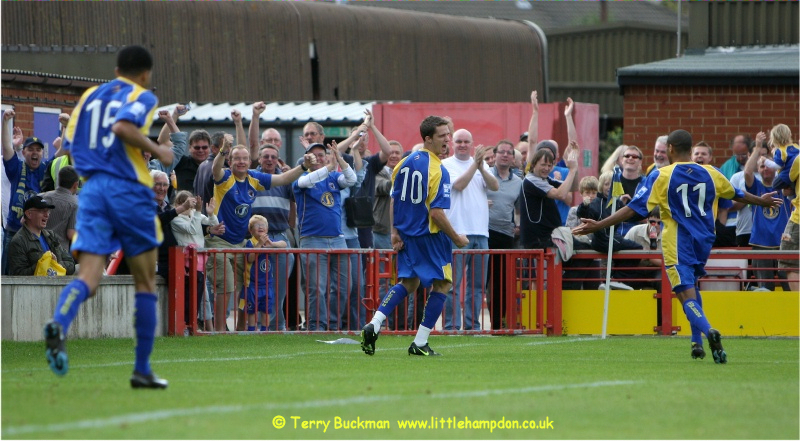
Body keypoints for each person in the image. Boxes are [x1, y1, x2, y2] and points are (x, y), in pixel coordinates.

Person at [573, 129, 783, 364]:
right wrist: (761, 200)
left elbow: (633, 208)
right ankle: (696, 343)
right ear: (690, 148)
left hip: (677, 242)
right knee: (692, 287)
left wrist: (599, 224)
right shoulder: (711, 172)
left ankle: (708, 330)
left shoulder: (661, 176)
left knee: (684, 295)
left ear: (671, 149)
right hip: (704, 241)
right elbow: (737, 194)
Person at [43, 45, 175, 387]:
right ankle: (142, 370)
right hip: (128, 189)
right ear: (145, 73)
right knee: (145, 281)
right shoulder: (143, 95)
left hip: (92, 191)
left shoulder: (89, 96)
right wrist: (160, 149)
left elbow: (67, 144)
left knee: (88, 277)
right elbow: (121, 127)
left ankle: (59, 322)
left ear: (117, 69)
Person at [361, 115, 469, 356]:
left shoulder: (404, 163)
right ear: (428, 139)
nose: (447, 140)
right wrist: (457, 238)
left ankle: (374, 323)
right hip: (430, 236)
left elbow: (394, 199)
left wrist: (394, 231)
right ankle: (420, 343)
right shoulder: (439, 170)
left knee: (409, 282)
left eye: (448, 135)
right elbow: (437, 213)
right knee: (443, 284)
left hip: (407, 235)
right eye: (442, 136)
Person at [208, 139, 313, 332]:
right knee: (226, 288)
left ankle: (240, 330)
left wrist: (304, 166)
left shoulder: (254, 177)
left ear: (250, 161)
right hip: (220, 240)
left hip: (241, 242)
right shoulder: (225, 177)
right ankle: (220, 330)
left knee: (244, 289)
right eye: (236, 158)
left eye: (245, 158)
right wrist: (223, 150)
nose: (241, 162)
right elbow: (215, 169)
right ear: (230, 162)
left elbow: (283, 179)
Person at [293, 142, 356, 331]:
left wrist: (340, 160)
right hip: (312, 238)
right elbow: (306, 182)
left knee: (344, 287)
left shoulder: (334, 177)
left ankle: (332, 324)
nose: (318, 158)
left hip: (338, 238)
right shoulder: (302, 177)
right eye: (314, 155)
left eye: (322, 154)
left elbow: (351, 180)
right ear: (306, 158)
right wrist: (330, 165)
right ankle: (316, 325)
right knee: (316, 288)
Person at [441, 128, 499, 331]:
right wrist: (476, 164)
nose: (463, 145)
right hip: (457, 232)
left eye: (466, 141)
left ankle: (472, 326)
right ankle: (451, 325)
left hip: (481, 232)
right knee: (452, 285)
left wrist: (481, 166)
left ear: (472, 144)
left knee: (476, 287)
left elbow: (494, 186)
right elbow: (459, 185)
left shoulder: (481, 165)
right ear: (452, 144)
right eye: (459, 141)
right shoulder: (445, 165)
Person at [250, 143, 297, 331]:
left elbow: (295, 200)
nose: (269, 160)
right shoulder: (252, 177)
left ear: (278, 159)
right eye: (266, 156)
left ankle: (277, 325)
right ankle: (251, 326)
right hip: (254, 237)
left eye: (273, 157)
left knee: (277, 288)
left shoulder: (285, 179)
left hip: (278, 234)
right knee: (252, 286)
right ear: (259, 159)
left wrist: (291, 225)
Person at [3, 110, 51, 275]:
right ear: (23, 153)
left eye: (38, 150)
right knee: (8, 276)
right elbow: (7, 149)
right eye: (31, 149)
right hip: (14, 230)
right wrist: (5, 122)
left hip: (35, 234)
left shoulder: (45, 170)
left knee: (36, 273)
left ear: (42, 154)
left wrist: (65, 129)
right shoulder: (17, 169)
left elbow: (61, 155)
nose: (35, 152)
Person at [745, 132, 791, 291]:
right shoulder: (756, 187)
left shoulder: (785, 187)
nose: (765, 169)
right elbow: (747, 173)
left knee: (790, 287)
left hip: (784, 244)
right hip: (761, 243)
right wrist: (757, 148)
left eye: (768, 165)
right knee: (765, 289)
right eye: (761, 166)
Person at [170, 190, 219, 331]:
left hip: (199, 262)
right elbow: (191, 229)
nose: (190, 208)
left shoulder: (194, 215)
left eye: (192, 204)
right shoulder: (176, 218)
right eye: (187, 204)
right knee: (188, 296)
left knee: (198, 296)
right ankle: (186, 325)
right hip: (186, 263)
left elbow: (213, 224)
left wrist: (210, 213)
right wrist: (197, 212)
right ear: (179, 204)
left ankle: (193, 324)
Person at [486, 140, 522, 330]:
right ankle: (471, 325)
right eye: (502, 152)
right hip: (484, 232)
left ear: (513, 158)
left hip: (506, 235)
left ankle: (498, 324)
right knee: (481, 281)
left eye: (509, 152)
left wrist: (518, 225)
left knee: (501, 283)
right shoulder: (483, 175)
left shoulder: (518, 183)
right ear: (495, 155)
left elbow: (519, 209)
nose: (506, 155)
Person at [7, 195, 75, 276]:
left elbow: (71, 264)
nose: (47, 215)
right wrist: (42, 264)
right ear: (29, 214)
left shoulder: (51, 235)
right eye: (42, 211)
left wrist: (55, 265)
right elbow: (18, 275)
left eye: (48, 211)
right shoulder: (18, 241)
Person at [240, 215, 286, 331]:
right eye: (257, 225)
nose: (261, 227)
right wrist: (259, 245)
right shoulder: (250, 243)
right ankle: (251, 330)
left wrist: (273, 245)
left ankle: (265, 331)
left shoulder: (268, 240)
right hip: (252, 284)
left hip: (267, 284)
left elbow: (284, 244)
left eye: (263, 225)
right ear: (250, 230)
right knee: (252, 311)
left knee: (266, 310)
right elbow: (250, 258)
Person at [39, 165, 79, 249]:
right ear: (75, 185)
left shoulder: (41, 197)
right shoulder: (75, 204)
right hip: (59, 253)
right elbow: (71, 234)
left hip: (39, 247)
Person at [768, 123, 799, 191]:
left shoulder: (780, 150)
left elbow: (778, 166)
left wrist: (765, 161)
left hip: (787, 175)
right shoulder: (796, 146)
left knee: (774, 184)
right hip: (795, 175)